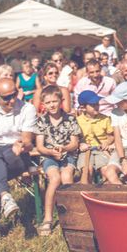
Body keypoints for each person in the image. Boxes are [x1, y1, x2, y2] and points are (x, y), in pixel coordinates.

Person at [0, 79, 36, 247]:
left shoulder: (27, 108)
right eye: (7, 98)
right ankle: (5, 197)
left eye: (14, 95)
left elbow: (28, 141)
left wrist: (21, 144)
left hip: (17, 154)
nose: (12, 100)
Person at [35, 86, 81, 235]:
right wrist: (51, 152)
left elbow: (75, 143)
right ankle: (48, 218)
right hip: (49, 156)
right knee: (54, 178)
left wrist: (64, 148)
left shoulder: (70, 119)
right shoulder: (42, 121)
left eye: (55, 101)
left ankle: (71, 214)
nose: (52, 105)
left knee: (67, 177)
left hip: (67, 153)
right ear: (43, 104)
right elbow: (40, 147)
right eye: (48, 102)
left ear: (61, 101)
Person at [75, 91, 114, 184]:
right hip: (86, 151)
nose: (96, 106)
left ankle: (106, 194)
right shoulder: (78, 121)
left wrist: (107, 142)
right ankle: (88, 192)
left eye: (97, 104)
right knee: (87, 171)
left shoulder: (105, 119)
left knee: (106, 171)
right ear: (83, 108)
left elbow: (111, 136)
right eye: (93, 105)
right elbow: (74, 138)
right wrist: (80, 144)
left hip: (101, 150)